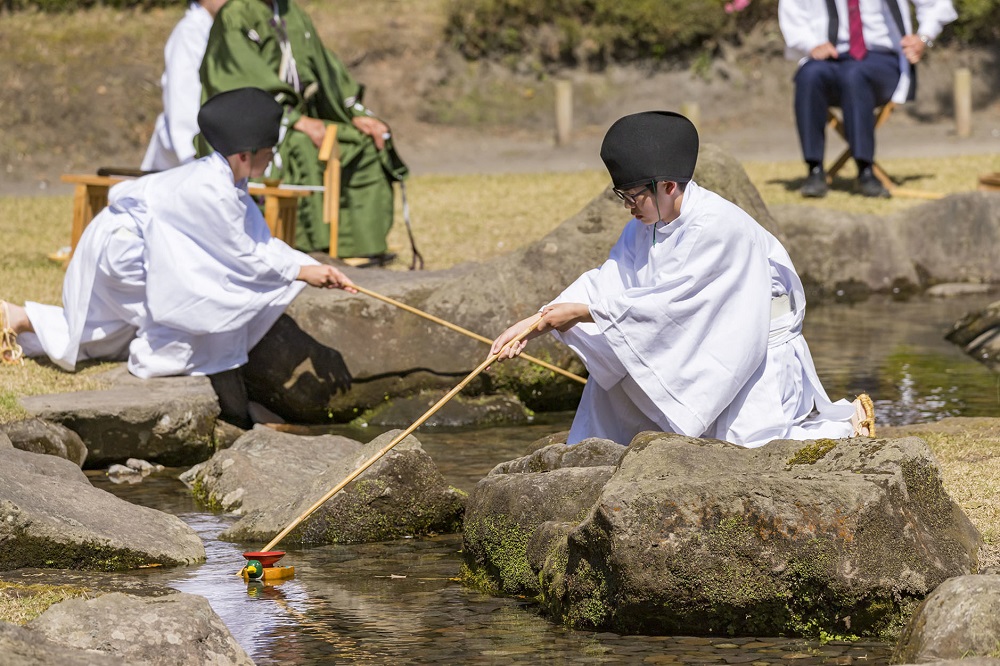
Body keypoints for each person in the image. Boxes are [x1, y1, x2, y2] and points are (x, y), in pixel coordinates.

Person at [490, 111, 876, 448]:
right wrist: (535, 323)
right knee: (614, 392)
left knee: (750, 451)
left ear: (668, 186)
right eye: (621, 196)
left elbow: (673, 305)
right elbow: (610, 285)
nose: (628, 208)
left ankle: (845, 428)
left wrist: (584, 312)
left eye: (632, 196)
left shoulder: (719, 226)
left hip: (750, 349)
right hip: (705, 338)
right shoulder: (646, 225)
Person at [1, 87, 356, 428]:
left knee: (108, 332)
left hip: (136, 248)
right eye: (267, 151)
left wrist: (311, 266)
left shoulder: (226, 179)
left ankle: (15, 317)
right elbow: (242, 256)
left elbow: (257, 240)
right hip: (126, 254)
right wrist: (301, 271)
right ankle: (175, 367)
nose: (271, 158)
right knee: (186, 310)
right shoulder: (210, 190)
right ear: (244, 154)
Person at [199, 0, 408, 260]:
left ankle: (359, 249)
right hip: (260, 124)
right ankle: (311, 250)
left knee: (363, 142)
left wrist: (354, 113)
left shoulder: (291, 12)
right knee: (302, 146)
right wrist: (294, 118)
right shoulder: (235, 14)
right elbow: (238, 79)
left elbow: (324, 67)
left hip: (305, 117)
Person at [778, 0, 957, 198]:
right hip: (832, 56)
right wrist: (810, 44)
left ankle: (865, 170)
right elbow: (792, 9)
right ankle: (814, 169)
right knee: (809, 75)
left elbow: (937, 4)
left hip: (882, 59)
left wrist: (923, 37)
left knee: (854, 75)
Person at [141, 0, 229, 171]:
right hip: (182, 160)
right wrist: (195, 159)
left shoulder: (225, 30)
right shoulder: (189, 32)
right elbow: (182, 100)